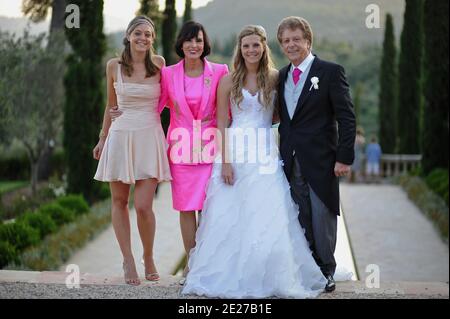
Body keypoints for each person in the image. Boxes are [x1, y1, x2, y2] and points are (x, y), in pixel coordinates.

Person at [181, 25, 327, 299]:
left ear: (263, 48)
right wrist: (224, 162)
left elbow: (280, 116)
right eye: (246, 45)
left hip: (263, 151)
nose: (251, 50)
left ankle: (266, 272)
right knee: (229, 213)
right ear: (240, 49)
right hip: (234, 150)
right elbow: (222, 123)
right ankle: (225, 272)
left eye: (256, 45)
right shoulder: (228, 80)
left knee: (266, 211)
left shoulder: (274, 78)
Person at [276, 17, 356, 292]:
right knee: (300, 214)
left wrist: (344, 157)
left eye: (296, 39)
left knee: (323, 215)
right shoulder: (282, 77)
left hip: (323, 159)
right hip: (291, 158)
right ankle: (307, 268)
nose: (291, 45)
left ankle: (326, 270)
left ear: (308, 40)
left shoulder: (331, 72)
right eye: (286, 41)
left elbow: (347, 117)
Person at [93, 16, 171, 286]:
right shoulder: (113, 66)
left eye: (148, 34)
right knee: (118, 202)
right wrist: (102, 138)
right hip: (120, 135)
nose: (143, 38)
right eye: (138, 33)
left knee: (143, 206)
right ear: (128, 36)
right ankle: (127, 259)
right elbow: (109, 105)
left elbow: (173, 98)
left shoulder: (160, 64)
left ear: (153, 39)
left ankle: (148, 256)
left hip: (150, 136)